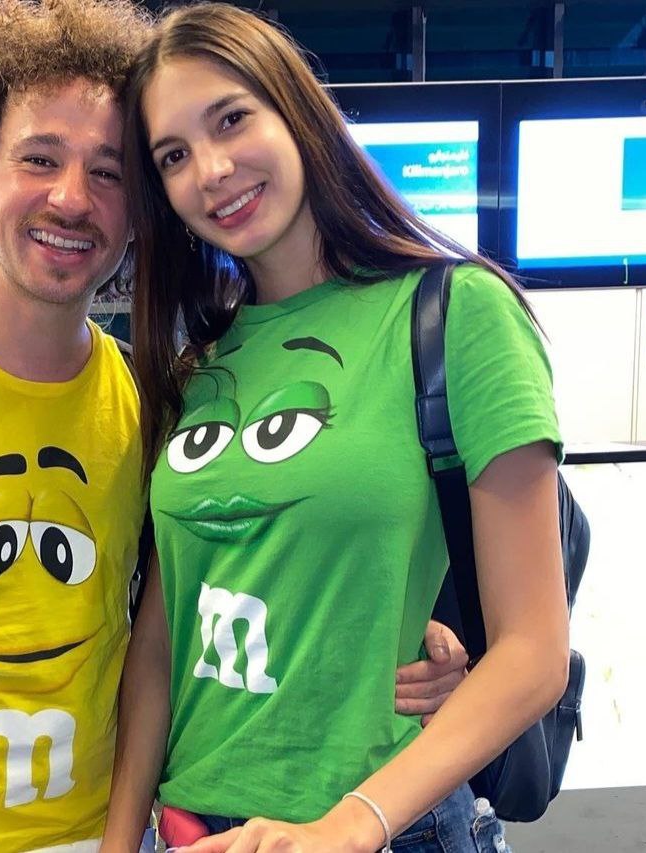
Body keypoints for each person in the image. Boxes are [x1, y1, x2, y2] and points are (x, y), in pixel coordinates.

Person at [0, 2, 467, 851]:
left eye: (108, 173)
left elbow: (215, 589)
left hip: (112, 828)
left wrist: (410, 630)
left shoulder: (156, 397)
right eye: (39, 158)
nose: (72, 198)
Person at [101, 4, 570, 853]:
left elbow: (534, 650)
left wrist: (347, 826)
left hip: (383, 827)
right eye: (174, 155)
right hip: (190, 830)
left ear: (296, 111)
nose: (212, 170)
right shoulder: (200, 366)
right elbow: (163, 643)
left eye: (231, 119)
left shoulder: (457, 312)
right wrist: (119, 837)